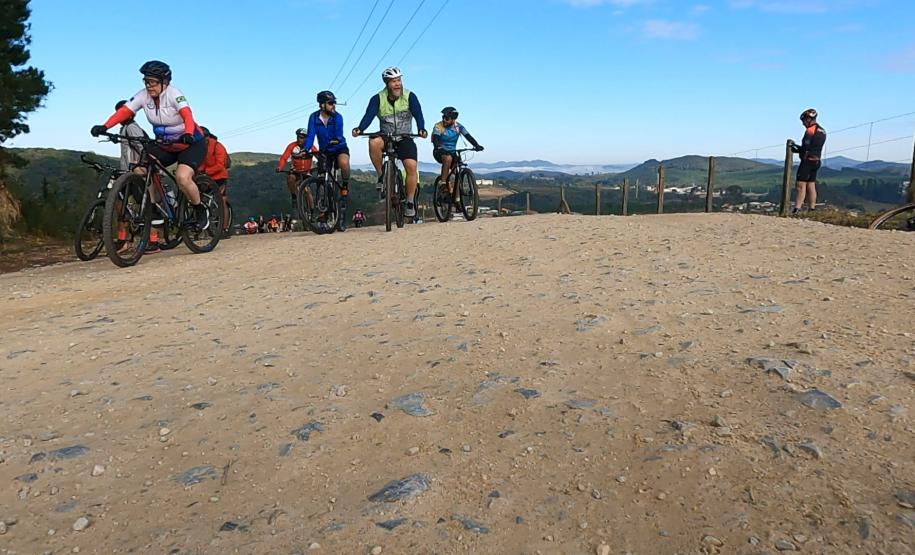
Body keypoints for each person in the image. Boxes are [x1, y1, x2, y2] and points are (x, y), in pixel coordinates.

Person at [91, 60, 210, 230]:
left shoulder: (174, 94)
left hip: (190, 144)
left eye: (153, 82)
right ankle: (153, 208)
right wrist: (105, 126)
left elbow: (187, 115)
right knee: (140, 169)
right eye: (146, 81)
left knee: (182, 178)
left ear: (164, 82)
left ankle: (199, 209)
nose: (148, 86)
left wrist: (189, 134)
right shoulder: (143, 96)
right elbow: (125, 110)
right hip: (166, 145)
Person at [352, 66, 427, 218]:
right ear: (387, 83)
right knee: (374, 142)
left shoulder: (409, 96)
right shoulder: (377, 98)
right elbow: (369, 116)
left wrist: (421, 128)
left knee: (411, 166)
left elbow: (418, 113)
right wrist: (360, 128)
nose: (397, 84)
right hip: (386, 136)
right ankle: (381, 176)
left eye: (399, 80)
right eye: (393, 81)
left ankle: (410, 200)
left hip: (405, 136)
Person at [304, 91, 352, 231]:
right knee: (322, 179)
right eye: (330, 103)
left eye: (334, 103)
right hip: (325, 151)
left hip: (339, 148)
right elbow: (310, 136)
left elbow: (339, 133)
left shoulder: (338, 117)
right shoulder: (313, 118)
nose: (333, 106)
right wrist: (306, 149)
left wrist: (337, 139)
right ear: (322, 105)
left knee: (343, 163)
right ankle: (326, 210)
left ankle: (345, 185)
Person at [432, 106, 483, 204]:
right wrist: (438, 146)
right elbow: (435, 138)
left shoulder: (458, 127)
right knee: (448, 158)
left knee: (457, 173)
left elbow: (468, 136)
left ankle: (457, 200)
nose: (444, 120)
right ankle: (443, 183)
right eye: (443, 117)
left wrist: (476, 145)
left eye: (446, 118)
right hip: (439, 151)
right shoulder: (438, 126)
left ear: (453, 119)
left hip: (452, 152)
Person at [789, 108, 827, 215]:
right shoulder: (822, 130)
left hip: (807, 161)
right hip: (817, 161)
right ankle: (812, 209)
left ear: (808, 119)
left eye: (804, 121)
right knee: (811, 185)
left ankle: (797, 209)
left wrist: (796, 149)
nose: (803, 124)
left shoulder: (810, 130)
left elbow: (806, 147)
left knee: (800, 185)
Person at [197, 126, 232, 237]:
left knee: (221, 200)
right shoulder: (200, 147)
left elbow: (220, 165)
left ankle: (224, 229)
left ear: (207, 137)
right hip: (206, 177)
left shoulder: (218, 146)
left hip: (219, 176)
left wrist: (206, 171)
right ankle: (199, 227)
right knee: (197, 197)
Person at [276, 129, 317, 212]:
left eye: (301, 138)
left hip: (307, 172)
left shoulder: (311, 146)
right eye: (298, 137)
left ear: (306, 138)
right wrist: (280, 167)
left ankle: (312, 211)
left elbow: (318, 155)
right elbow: (284, 157)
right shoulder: (292, 146)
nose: (299, 139)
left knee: (307, 191)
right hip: (295, 171)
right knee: (290, 178)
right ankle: (294, 196)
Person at [115, 100, 148, 172]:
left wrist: (141, 165)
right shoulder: (125, 127)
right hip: (128, 169)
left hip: (134, 169)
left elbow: (142, 148)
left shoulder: (131, 127)